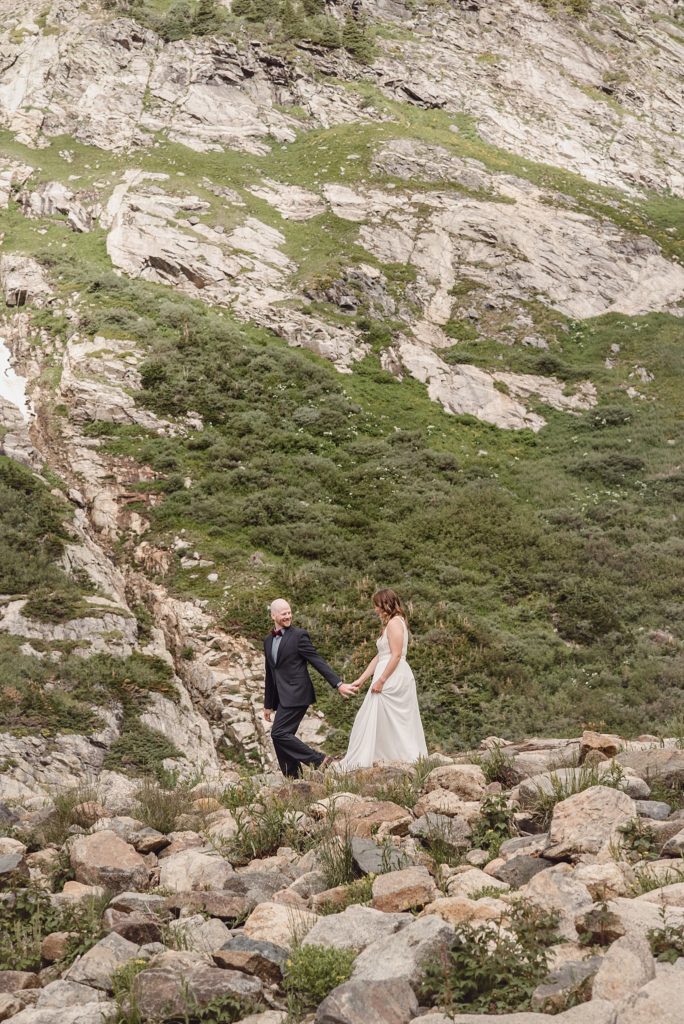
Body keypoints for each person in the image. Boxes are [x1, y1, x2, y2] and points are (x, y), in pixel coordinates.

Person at [263, 598, 356, 777]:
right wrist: (268, 704)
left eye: (289, 612)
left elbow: (316, 660)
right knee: (281, 737)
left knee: (279, 733)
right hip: (282, 697)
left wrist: (338, 684)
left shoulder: (299, 635)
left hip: (298, 693)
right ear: (273, 615)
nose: (288, 616)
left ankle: (319, 760)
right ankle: (294, 778)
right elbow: (270, 674)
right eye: (284, 614)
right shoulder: (268, 641)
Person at [337, 588, 428, 770]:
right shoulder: (389, 624)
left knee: (389, 718)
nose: (375, 609)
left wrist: (381, 680)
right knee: (380, 718)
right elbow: (379, 656)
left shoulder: (395, 623)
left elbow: (395, 656)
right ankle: (384, 757)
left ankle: (401, 757)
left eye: (377, 605)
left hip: (393, 677)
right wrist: (361, 679)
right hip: (386, 674)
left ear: (386, 604)